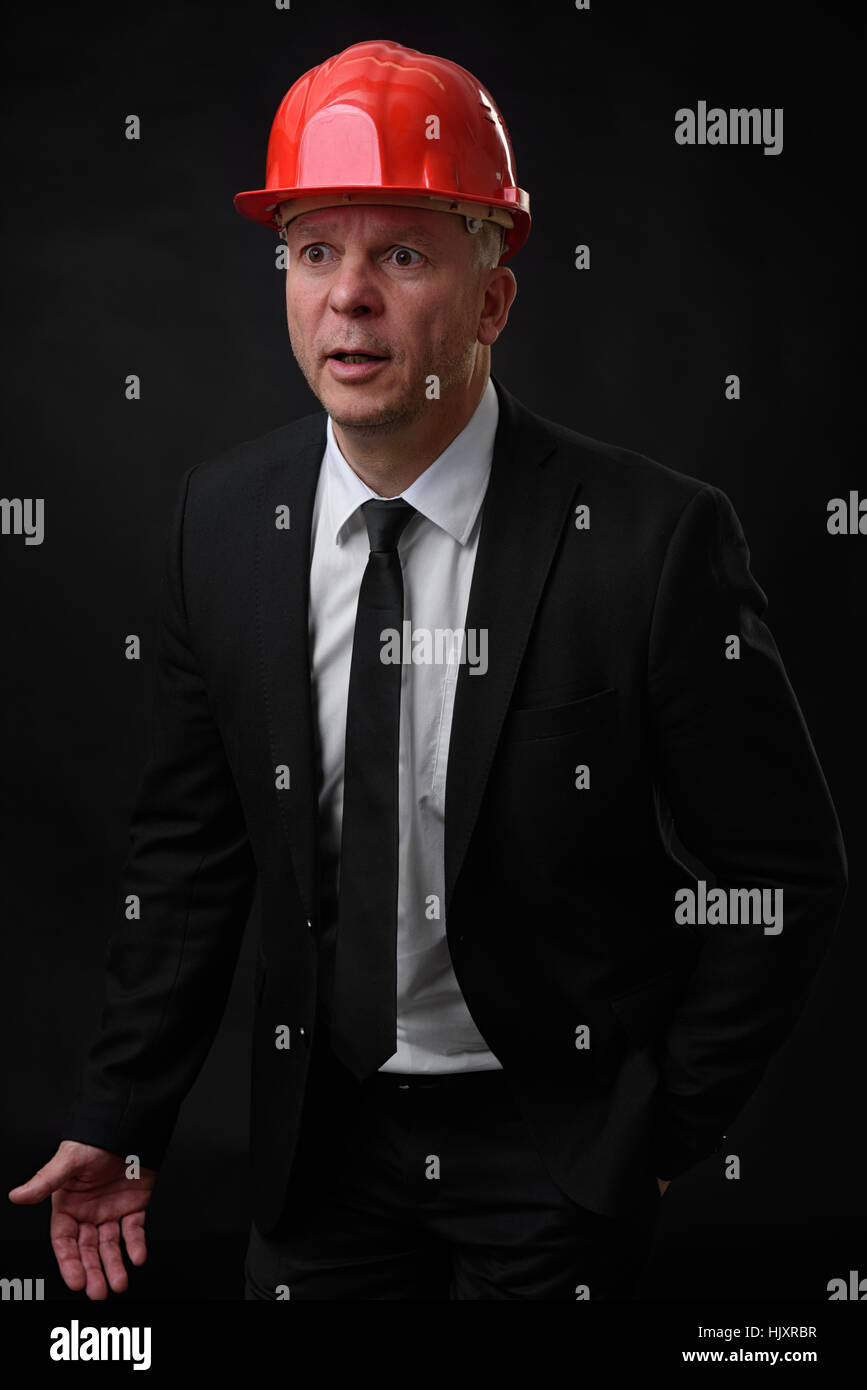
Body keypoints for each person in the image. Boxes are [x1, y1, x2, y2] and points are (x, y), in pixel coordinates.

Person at [8, 38, 847, 1301]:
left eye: (399, 254)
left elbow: (782, 874)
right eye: (313, 251)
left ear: (494, 299)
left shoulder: (652, 542)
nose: (349, 296)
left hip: (557, 1153)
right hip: (318, 1148)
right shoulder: (223, 525)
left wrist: (663, 1136)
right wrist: (126, 1111)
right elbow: (190, 854)